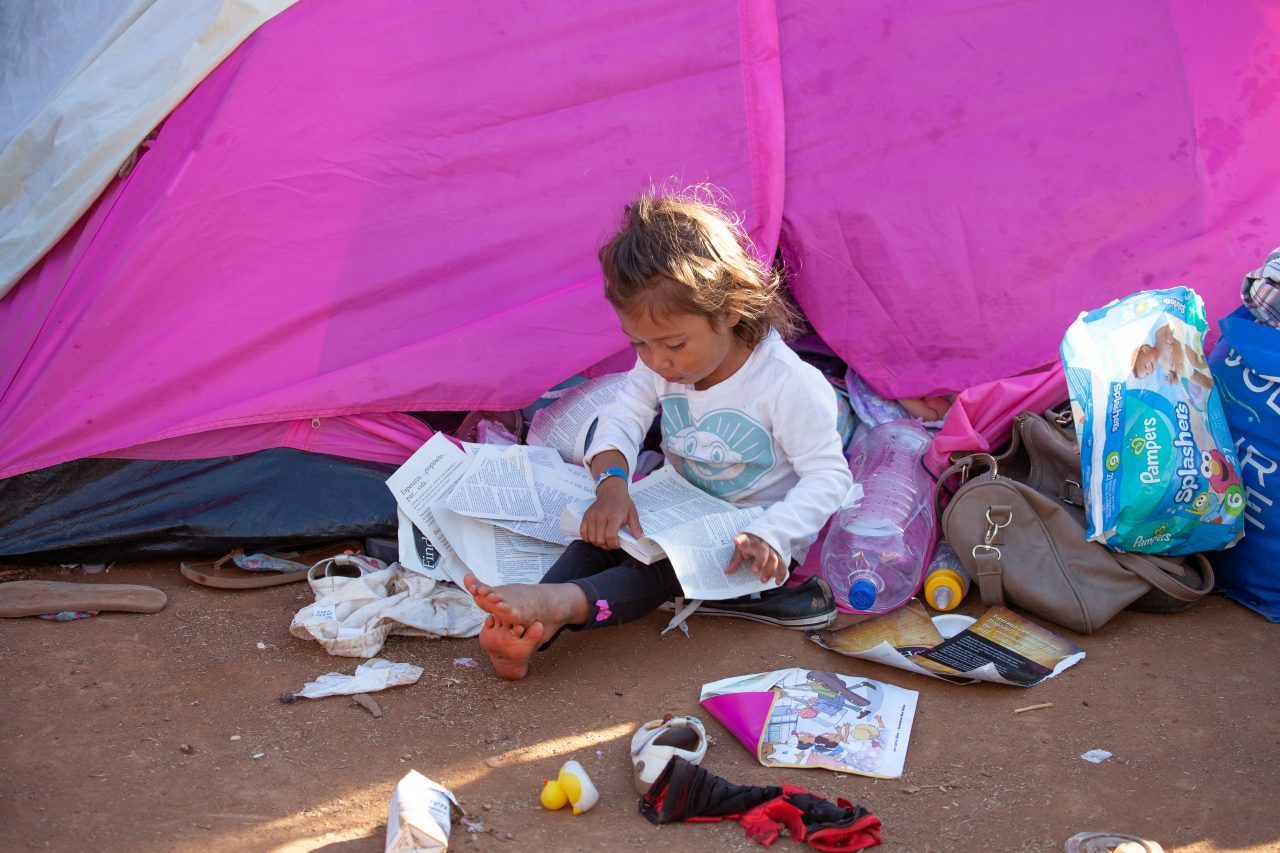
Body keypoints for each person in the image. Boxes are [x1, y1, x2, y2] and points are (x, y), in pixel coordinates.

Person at [466, 188, 853, 679]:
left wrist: (772, 533)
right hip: (678, 504)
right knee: (603, 535)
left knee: (657, 573)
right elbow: (624, 415)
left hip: (748, 536)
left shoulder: (786, 383)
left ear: (730, 310)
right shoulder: (661, 362)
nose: (656, 361)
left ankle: (558, 605)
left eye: (672, 344)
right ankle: (528, 633)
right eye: (638, 344)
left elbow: (828, 477)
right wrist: (611, 487)